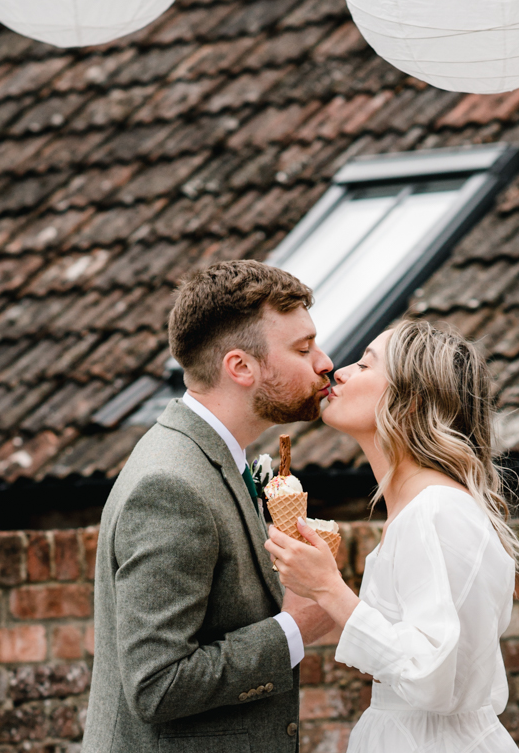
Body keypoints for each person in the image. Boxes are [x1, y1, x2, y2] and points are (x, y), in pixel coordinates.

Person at [82, 260, 335, 753]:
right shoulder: (171, 485)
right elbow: (156, 685)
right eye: (303, 349)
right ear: (240, 367)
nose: (324, 362)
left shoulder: (214, 460)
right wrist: (294, 629)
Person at [265, 319, 519, 753]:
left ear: (410, 400)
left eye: (365, 365)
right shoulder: (419, 509)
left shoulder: (436, 510)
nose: (339, 371)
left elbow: (432, 674)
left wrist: (329, 589)